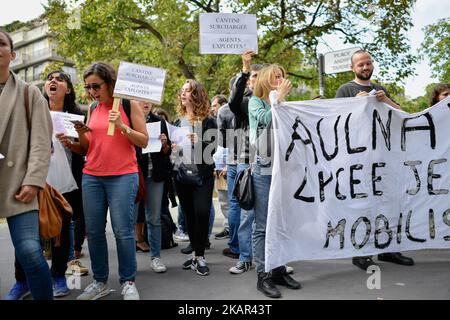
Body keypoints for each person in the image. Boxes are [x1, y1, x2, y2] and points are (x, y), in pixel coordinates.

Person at [335, 49, 414, 270]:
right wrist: (354, 104)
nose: (365, 67)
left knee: (387, 203)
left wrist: (386, 99)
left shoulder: (380, 89)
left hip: (383, 157)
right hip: (357, 158)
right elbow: (335, 120)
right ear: (352, 68)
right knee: (361, 205)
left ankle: (388, 249)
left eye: (368, 63)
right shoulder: (345, 89)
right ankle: (361, 253)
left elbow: (401, 115)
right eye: (360, 64)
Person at [75, 62, 148, 300]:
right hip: (92, 176)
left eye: (96, 86)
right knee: (94, 232)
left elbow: (144, 141)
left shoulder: (129, 104)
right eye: (88, 87)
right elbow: (88, 146)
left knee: (123, 231)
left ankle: (128, 281)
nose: (92, 91)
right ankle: (100, 281)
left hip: (123, 176)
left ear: (110, 83)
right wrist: (78, 134)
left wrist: (121, 126)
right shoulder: (92, 107)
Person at [0, 29, 54, 300]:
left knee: (31, 252)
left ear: (13, 53)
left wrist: (33, 180)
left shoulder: (29, 93)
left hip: (18, 184)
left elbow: (42, 143)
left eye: (0, 43)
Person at [249, 64, 301, 298]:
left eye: (281, 76)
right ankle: (263, 275)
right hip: (263, 168)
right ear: (264, 80)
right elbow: (266, 122)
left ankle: (279, 269)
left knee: (280, 220)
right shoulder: (256, 102)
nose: (279, 79)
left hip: (283, 167)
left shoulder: (283, 102)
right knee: (262, 224)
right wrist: (278, 99)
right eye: (275, 76)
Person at [45, 71, 89, 280]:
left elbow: (87, 148)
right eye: (50, 78)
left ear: (68, 89)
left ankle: (63, 274)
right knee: (39, 228)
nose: (53, 81)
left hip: (69, 181)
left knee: (64, 227)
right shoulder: (35, 112)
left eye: (59, 79)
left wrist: (71, 143)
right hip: (40, 181)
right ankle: (32, 277)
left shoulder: (76, 117)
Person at [174, 79, 217, 276]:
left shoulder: (209, 121)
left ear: (197, 95)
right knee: (189, 216)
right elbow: (173, 155)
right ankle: (195, 256)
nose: (183, 94)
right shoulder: (177, 121)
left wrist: (200, 141)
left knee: (201, 213)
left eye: (187, 91)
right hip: (182, 176)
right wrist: (171, 147)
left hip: (203, 177)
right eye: (182, 91)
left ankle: (200, 256)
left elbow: (213, 150)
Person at [228, 51, 264, 270]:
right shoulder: (244, 103)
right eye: (253, 77)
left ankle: (272, 260)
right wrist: (245, 68)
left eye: (260, 76)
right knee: (247, 213)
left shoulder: (274, 102)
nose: (256, 80)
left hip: (271, 162)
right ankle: (245, 258)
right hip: (247, 161)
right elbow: (233, 99)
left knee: (270, 214)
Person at [136, 100, 172, 273]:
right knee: (129, 219)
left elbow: (167, 151)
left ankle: (155, 257)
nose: (146, 103)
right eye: (142, 99)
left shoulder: (160, 121)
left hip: (155, 176)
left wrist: (164, 143)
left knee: (154, 218)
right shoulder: (129, 120)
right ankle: (128, 261)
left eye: (149, 100)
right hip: (134, 175)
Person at [213, 94, 231, 240]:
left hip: (228, 168)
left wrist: (228, 166)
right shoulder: (216, 124)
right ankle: (228, 227)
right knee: (223, 201)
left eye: (215, 105)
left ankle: (232, 229)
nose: (213, 109)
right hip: (218, 170)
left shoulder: (229, 120)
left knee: (232, 201)